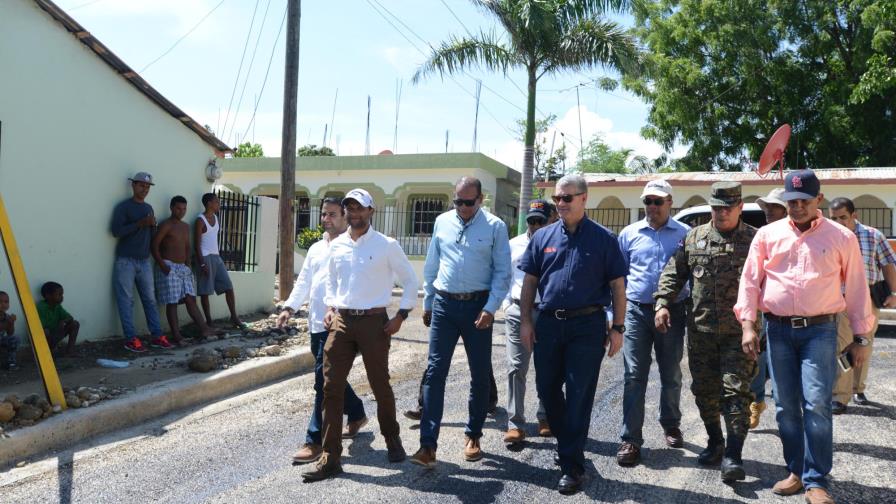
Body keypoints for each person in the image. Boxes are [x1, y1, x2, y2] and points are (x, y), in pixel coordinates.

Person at [735, 170, 874, 504]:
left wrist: (861, 337)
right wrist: (748, 325)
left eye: (803, 201)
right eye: (791, 201)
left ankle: (816, 480)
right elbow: (751, 280)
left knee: (816, 404)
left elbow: (856, 288)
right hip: (778, 330)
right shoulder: (768, 235)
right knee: (785, 407)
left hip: (821, 331)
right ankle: (796, 470)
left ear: (818, 200)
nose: (796, 207)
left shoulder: (841, 237)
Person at [519, 174, 628, 495]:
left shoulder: (605, 239)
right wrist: (526, 321)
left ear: (584, 198)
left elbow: (618, 287)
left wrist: (618, 328)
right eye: (557, 199)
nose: (561, 204)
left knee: (579, 395)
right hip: (549, 323)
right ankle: (570, 446)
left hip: (587, 326)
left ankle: (571, 465)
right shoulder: (543, 237)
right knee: (547, 389)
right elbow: (529, 283)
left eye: (567, 198)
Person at [302, 188, 418, 482]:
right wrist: (330, 306)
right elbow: (332, 280)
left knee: (380, 386)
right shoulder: (337, 246)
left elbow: (410, 280)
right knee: (330, 388)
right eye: (349, 209)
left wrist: (401, 315)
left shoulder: (386, 245)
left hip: (374, 322)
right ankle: (330, 457)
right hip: (341, 322)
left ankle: (393, 440)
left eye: (359, 208)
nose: (354, 213)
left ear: (371, 211)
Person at [654, 181, 757, 483]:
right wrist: (662, 303)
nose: (721, 213)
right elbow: (674, 273)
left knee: (736, 391)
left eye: (727, 208)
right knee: (704, 392)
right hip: (701, 332)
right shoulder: (694, 238)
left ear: (739, 206)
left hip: (741, 333)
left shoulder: (755, 240)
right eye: (716, 207)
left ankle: (734, 455)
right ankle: (715, 442)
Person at [409, 177, 511, 468]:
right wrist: (428, 302)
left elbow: (503, 272)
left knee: (479, 374)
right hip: (444, 305)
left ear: (481, 200)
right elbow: (432, 265)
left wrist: (491, 308)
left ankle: (474, 434)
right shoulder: (442, 222)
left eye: (469, 202)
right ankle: (428, 445)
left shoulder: (495, 227)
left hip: (478, 307)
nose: (463, 207)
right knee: (435, 371)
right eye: (458, 201)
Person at [277, 197, 367, 464]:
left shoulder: (352, 247)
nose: (325, 219)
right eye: (323, 214)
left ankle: (314, 440)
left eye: (331, 214)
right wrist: (289, 308)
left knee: (321, 382)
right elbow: (304, 281)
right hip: (316, 323)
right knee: (329, 377)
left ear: (344, 216)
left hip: (339, 326)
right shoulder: (316, 248)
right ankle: (357, 411)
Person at [615, 180, 690, 466]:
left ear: (670, 202)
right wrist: (615, 315)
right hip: (636, 311)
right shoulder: (629, 234)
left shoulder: (684, 235)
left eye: (658, 201)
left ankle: (670, 422)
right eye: (648, 201)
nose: (652, 207)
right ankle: (631, 439)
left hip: (673, 312)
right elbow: (619, 277)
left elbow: (691, 276)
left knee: (671, 372)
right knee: (634, 375)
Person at [827, 196, 896, 413]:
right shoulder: (828, 237)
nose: (839, 223)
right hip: (840, 300)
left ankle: (858, 388)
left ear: (854, 215)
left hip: (868, 300)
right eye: (834, 218)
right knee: (842, 345)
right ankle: (840, 396)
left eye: (843, 218)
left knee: (864, 346)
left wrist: (894, 293)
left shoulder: (873, 236)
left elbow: (888, 265)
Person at [502, 198, 557, 445]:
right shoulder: (514, 244)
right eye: (532, 221)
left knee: (547, 368)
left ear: (552, 220)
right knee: (516, 368)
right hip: (517, 312)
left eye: (540, 221)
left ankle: (545, 417)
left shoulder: (558, 243)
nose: (535, 225)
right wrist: (506, 304)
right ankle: (515, 423)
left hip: (546, 314)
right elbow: (503, 276)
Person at [151, 196, 218, 346]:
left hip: (183, 267)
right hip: (168, 266)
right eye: (178, 208)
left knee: (190, 299)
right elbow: (154, 245)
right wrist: (162, 265)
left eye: (184, 209)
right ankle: (177, 336)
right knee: (172, 302)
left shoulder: (185, 226)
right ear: (172, 208)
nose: (181, 212)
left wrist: (188, 263)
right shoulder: (166, 225)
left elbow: (187, 246)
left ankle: (204, 329)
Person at [110, 172, 165, 353]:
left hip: (144, 261)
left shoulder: (149, 207)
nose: (145, 189)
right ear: (133, 185)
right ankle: (131, 339)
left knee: (150, 299)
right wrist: (140, 223)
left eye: (148, 187)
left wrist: (152, 227)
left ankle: (157, 336)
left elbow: (150, 235)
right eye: (141, 185)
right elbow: (116, 231)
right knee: (127, 301)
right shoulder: (123, 207)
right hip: (126, 260)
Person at [749, 187, 789, 429]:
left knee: (783, 368)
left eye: (773, 207)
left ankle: (788, 416)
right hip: (762, 309)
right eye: (766, 207)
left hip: (791, 312)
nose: (768, 211)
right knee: (757, 358)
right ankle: (756, 402)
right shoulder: (762, 235)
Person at [194, 193, 245, 331]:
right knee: (206, 291)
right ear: (209, 203)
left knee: (228, 286)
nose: (219, 204)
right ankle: (209, 321)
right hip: (205, 257)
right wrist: (202, 263)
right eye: (217, 202)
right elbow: (196, 244)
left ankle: (234, 317)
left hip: (216, 257)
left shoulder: (216, 218)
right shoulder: (200, 220)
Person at [36, 282, 80, 357]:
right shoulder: (41, 307)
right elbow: (41, 328)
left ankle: (70, 351)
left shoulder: (57, 306)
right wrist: (59, 326)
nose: (62, 297)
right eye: (59, 294)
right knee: (45, 331)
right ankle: (46, 352)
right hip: (44, 338)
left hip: (55, 334)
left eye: (62, 294)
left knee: (75, 324)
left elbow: (70, 317)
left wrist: (63, 321)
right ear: (48, 296)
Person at [0, 291, 20, 370]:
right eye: (0, 302)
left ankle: (11, 363)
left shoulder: (7, 317)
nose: (3, 304)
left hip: (2, 340)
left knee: (15, 338)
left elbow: (10, 333)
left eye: (6, 302)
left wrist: (11, 323)